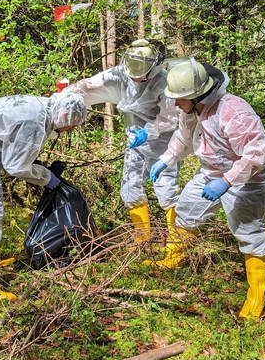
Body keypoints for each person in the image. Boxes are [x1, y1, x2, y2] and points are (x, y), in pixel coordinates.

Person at [147, 57, 265, 320]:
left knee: (249, 231)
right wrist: (165, 159)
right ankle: (175, 257)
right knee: (186, 209)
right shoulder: (191, 111)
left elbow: (257, 153)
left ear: (197, 96)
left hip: (249, 177)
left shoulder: (232, 111)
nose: (174, 104)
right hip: (211, 172)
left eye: (179, 98)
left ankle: (256, 298)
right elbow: (183, 138)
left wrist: (227, 181)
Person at [0, 92, 86, 302]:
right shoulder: (35, 121)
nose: (72, 129)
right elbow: (16, 166)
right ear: (65, 115)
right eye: (73, 123)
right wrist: (46, 177)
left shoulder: (42, 111)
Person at [65, 39, 180, 245]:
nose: (137, 75)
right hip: (135, 142)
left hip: (163, 145)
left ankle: (176, 244)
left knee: (166, 189)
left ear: (154, 66)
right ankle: (142, 240)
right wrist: (65, 95)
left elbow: (170, 117)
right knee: (130, 187)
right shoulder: (121, 74)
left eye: (142, 70)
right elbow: (91, 85)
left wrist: (149, 131)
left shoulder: (164, 82)